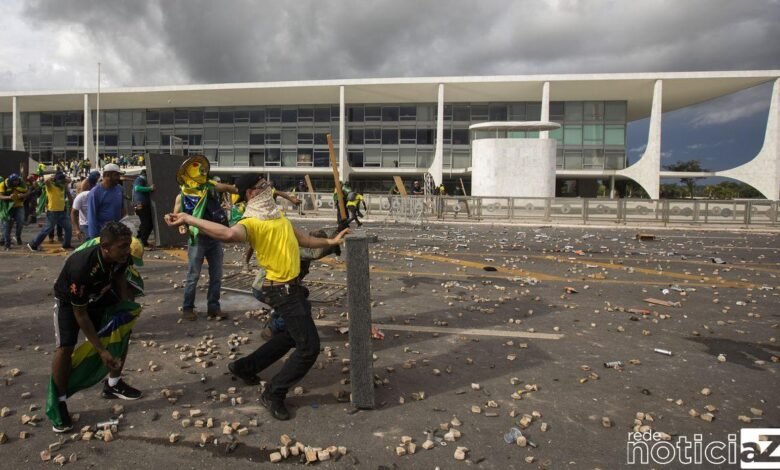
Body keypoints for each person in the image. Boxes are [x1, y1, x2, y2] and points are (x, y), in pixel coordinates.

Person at [165, 174, 349, 421]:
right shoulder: (250, 222)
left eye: (267, 184)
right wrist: (188, 218)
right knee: (309, 348)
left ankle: (244, 367)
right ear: (251, 193)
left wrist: (331, 240)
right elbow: (228, 234)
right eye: (263, 186)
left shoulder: (277, 216)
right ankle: (274, 393)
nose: (268, 188)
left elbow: (303, 239)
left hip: (292, 288)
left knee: (289, 336)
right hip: (280, 289)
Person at [47, 222, 142, 433]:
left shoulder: (121, 257)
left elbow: (119, 276)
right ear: (105, 247)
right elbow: (80, 315)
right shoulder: (82, 267)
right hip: (71, 304)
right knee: (65, 348)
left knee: (121, 329)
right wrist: (101, 350)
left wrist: (124, 306)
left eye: (128, 245)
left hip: (99, 294)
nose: (127, 251)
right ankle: (60, 401)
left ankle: (113, 384)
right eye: (123, 246)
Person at [174, 155, 237, 321]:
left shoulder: (210, 187)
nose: (201, 172)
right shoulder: (182, 196)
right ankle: (188, 308)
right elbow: (176, 215)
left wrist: (239, 189)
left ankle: (213, 308)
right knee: (193, 276)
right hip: (197, 239)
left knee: (216, 275)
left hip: (214, 238)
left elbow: (225, 187)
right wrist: (180, 224)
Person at [27, 171, 73, 251]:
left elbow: (69, 180)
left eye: (63, 180)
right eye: (60, 180)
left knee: (68, 228)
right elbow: (46, 181)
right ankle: (33, 244)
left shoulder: (62, 186)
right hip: (53, 212)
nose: (62, 181)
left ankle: (66, 245)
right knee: (46, 229)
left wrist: (63, 177)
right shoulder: (50, 186)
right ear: (56, 180)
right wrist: (53, 176)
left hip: (62, 211)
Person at [87, 164, 125, 239]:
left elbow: (122, 209)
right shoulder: (95, 192)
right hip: (102, 233)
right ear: (107, 175)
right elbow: (91, 216)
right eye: (116, 175)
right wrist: (94, 237)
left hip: (116, 232)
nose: (118, 178)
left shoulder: (119, 189)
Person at [0, 173, 30, 250]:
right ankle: (7, 243)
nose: (16, 182)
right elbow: (1, 196)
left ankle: (18, 237)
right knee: (7, 225)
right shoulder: (3, 185)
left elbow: (27, 192)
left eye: (17, 180)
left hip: (19, 206)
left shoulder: (22, 184)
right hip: (7, 208)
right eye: (14, 181)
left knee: (20, 222)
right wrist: (8, 197)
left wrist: (23, 195)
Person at [71, 171, 100, 241]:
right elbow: (73, 212)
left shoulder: (81, 195)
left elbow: (73, 212)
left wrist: (77, 229)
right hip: (87, 225)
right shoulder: (83, 196)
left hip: (95, 225)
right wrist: (77, 229)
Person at [132, 170, 155, 247]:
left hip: (141, 204)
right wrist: (149, 188)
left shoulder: (141, 180)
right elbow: (137, 188)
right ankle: (142, 241)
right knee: (147, 223)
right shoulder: (140, 179)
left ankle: (139, 239)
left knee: (145, 223)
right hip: (141, 205)